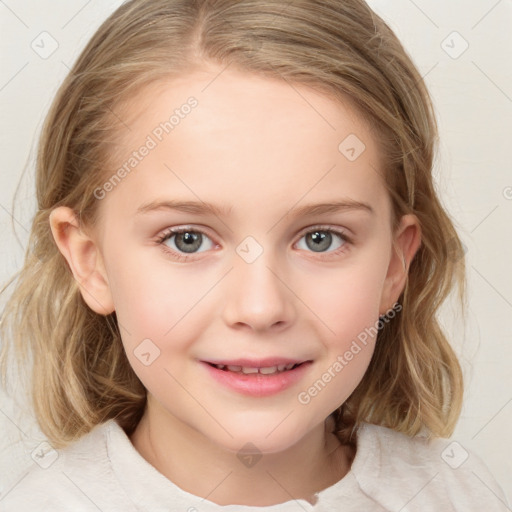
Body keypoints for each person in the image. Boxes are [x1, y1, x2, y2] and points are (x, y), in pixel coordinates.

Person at [0, 0, 508, 510]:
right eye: (188, 239)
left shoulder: (458, 495)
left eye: (320, 239)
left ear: (395, 265)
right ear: (90, 261)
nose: (260, 308)